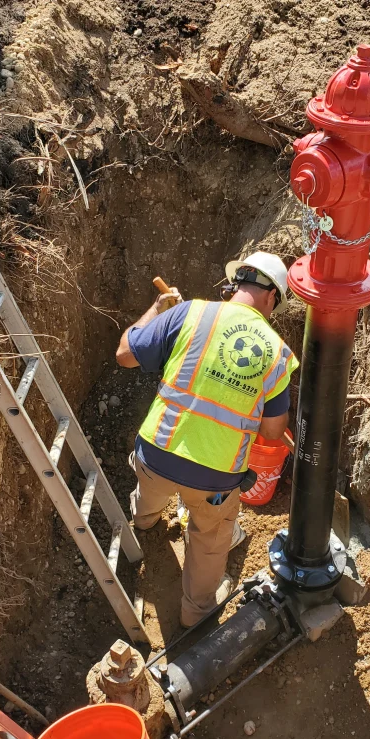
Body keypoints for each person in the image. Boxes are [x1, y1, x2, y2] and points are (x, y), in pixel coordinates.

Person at [116, 252, 299, 627]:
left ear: (236, 284)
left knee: (150, 491)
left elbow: (125, 354)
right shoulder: (278, 353)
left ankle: (145, 520)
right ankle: (195, 613)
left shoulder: (190, 313)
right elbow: (271, 432)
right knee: (211, 538)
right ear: (271, 298)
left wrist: (156, 309)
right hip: (215, 478)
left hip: (156, 455)